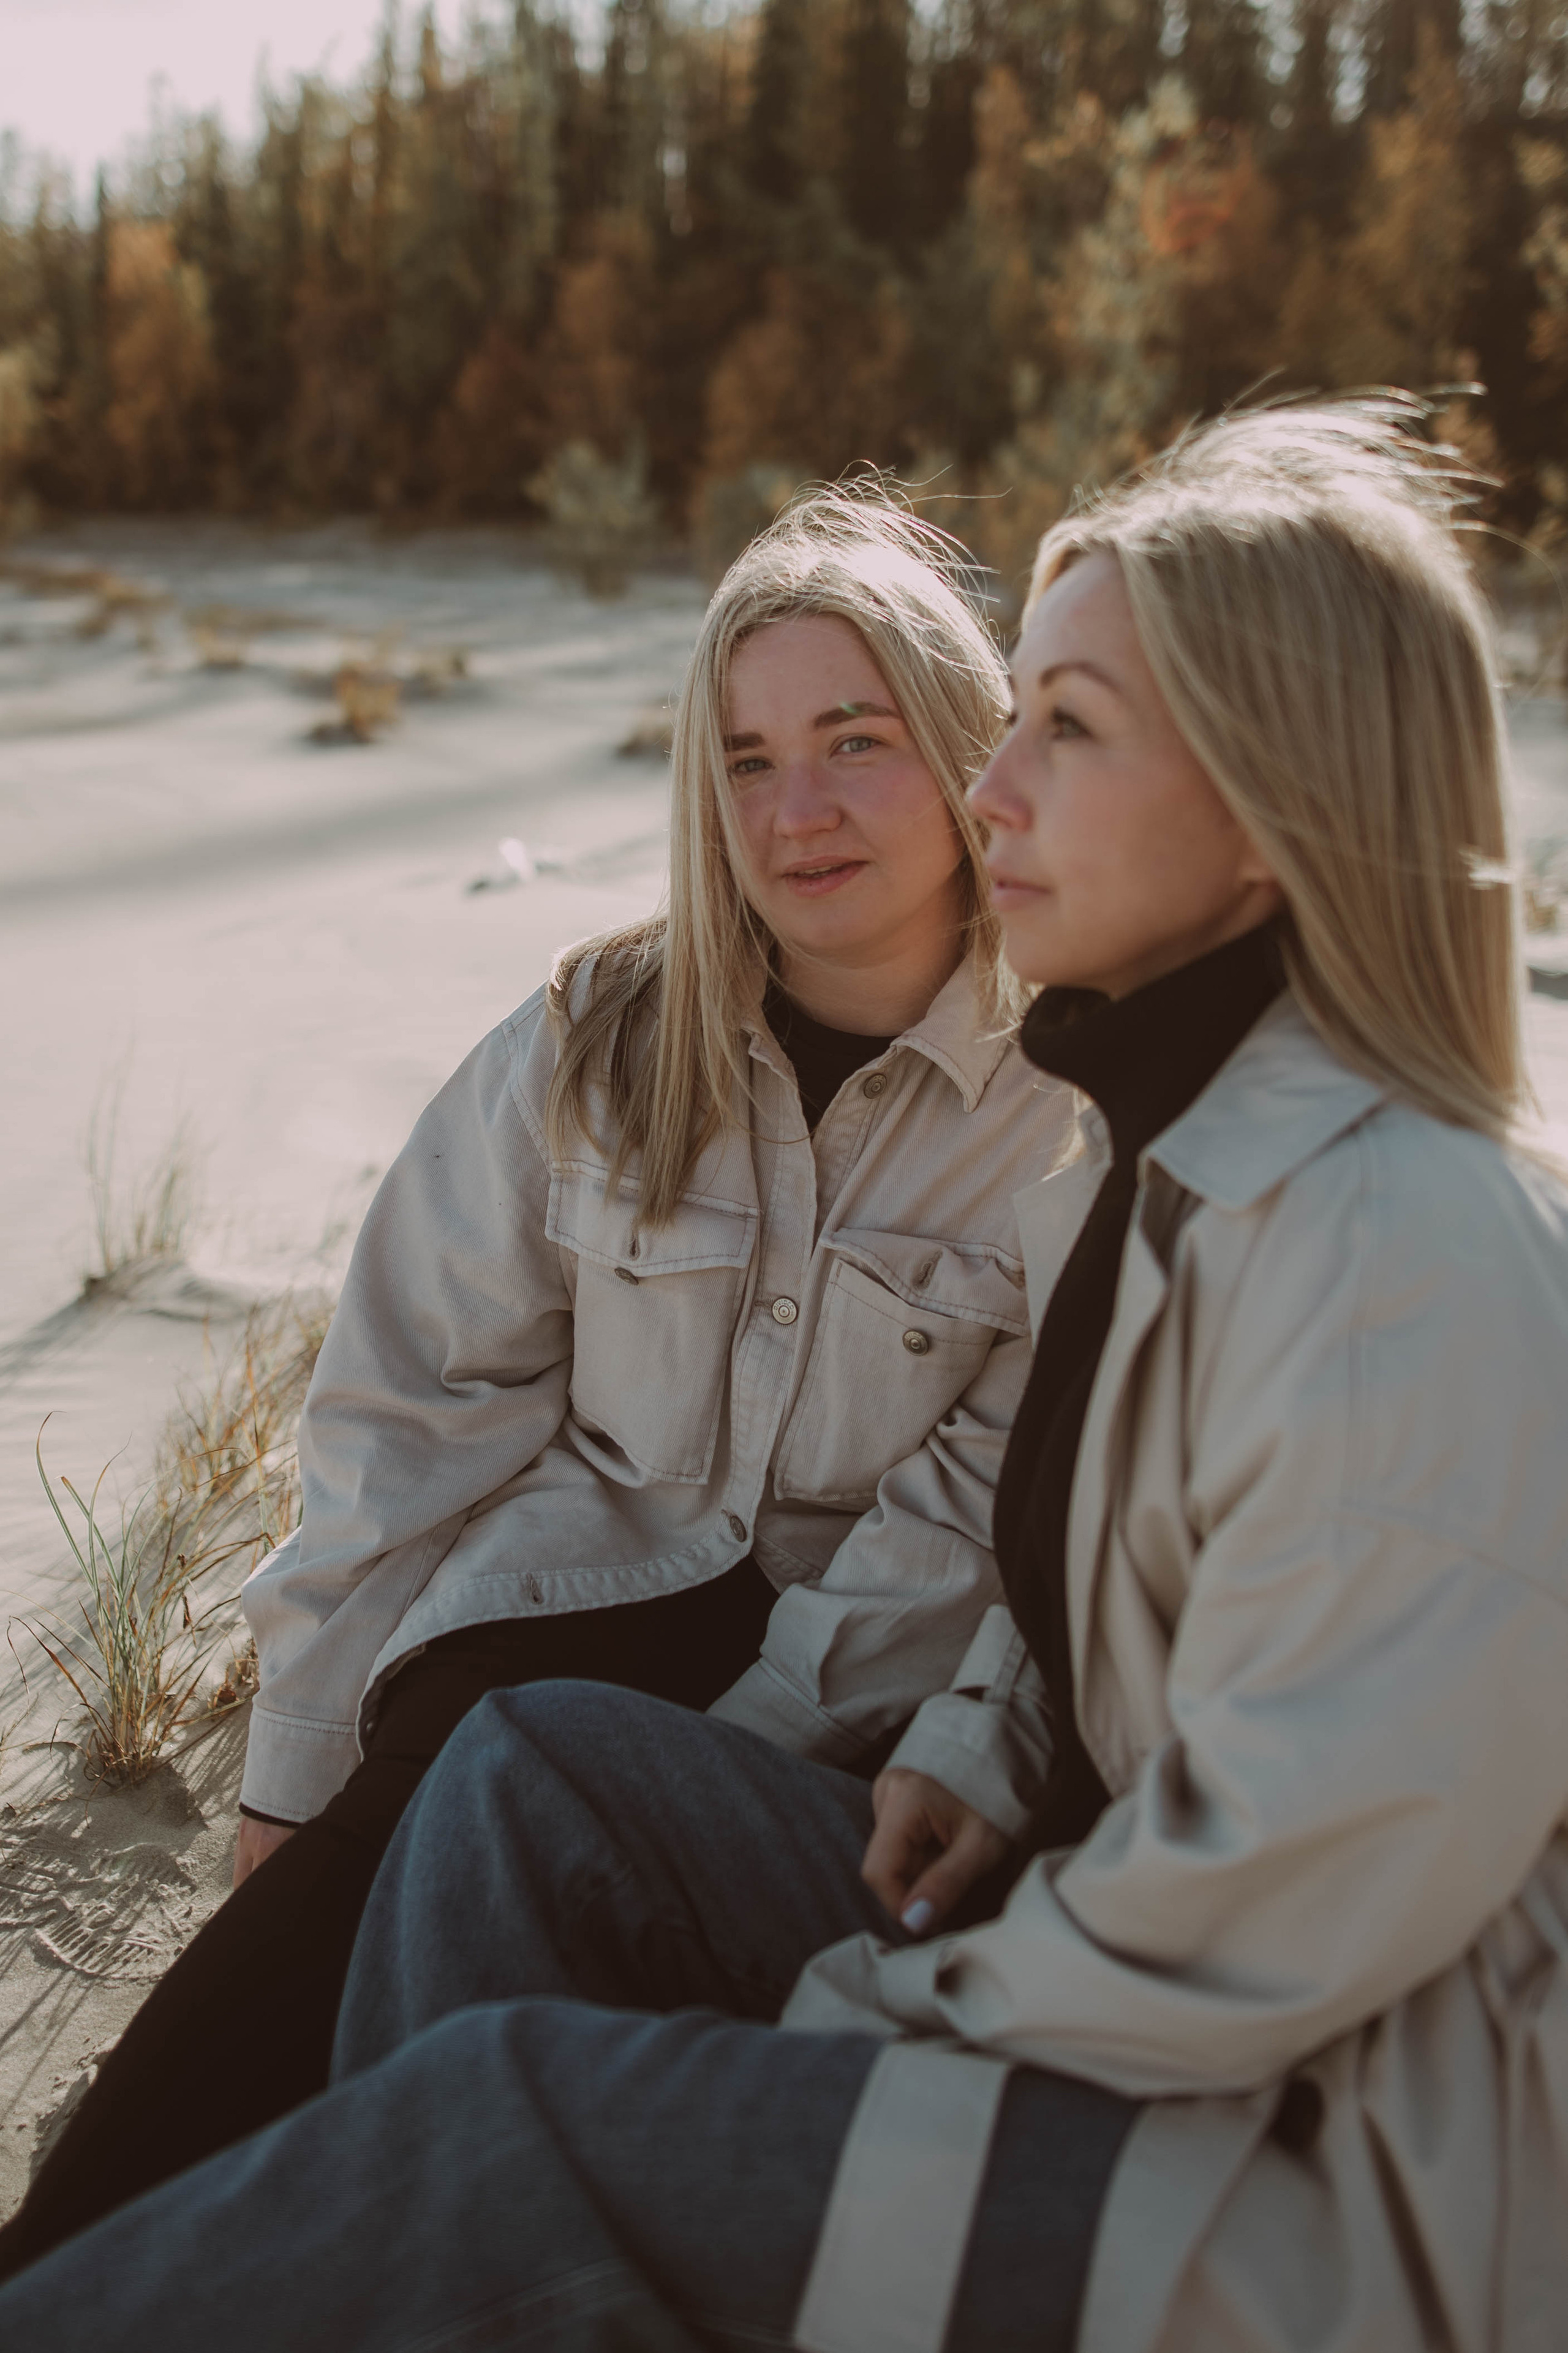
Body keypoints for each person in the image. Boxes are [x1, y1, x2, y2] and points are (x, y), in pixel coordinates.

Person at [6, 394, 1566, 2353]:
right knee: (513, 1775)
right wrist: (989, 1733)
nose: (996, 790)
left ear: (1277, 811)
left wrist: (818, 2030)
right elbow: (1078, 1585)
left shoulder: (1387, 1255)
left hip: (1302, 2177)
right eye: (751, 757)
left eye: (1054, 733)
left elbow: (1271, 1905)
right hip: (985, 1882)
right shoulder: (1190, 1165)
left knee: (511, 2121)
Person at [0, 489, 1076, 2275]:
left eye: (853, 742)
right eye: (742, 760)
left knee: (447, 2111)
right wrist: (297, 1763)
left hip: (819, 1722)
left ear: (966, 748)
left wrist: (683, 1784)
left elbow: (969, 1529)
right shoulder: (595, 1042)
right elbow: (406, 1415)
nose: (793, 810)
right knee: (164, 2135)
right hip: (529, 1647)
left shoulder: (1070, 1110)